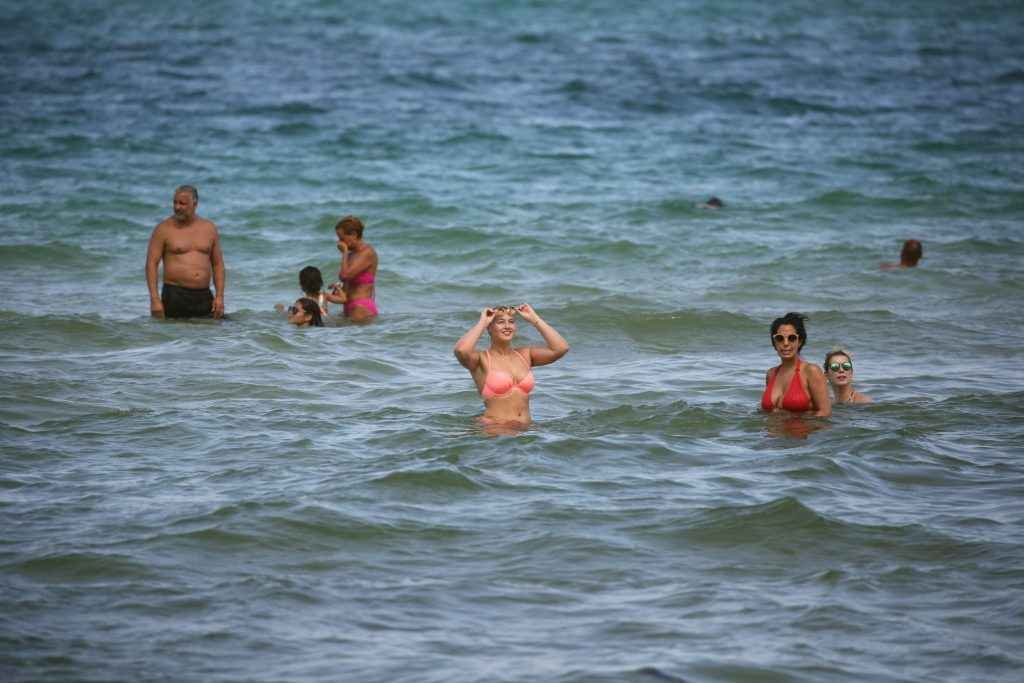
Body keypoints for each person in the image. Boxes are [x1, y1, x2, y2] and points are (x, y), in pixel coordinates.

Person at [453, 304, 569, 429]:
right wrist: (483, 322)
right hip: (495, 429)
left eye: (511, 322)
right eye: (501, 322)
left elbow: (561, 348)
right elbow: (461, 350)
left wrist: (535, 319)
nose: (507, 326)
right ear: (489, 328)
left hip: (526, 428)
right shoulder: (481, 359)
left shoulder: (525, 355)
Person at [145, 185, 226, 319]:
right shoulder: (163, 229)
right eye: (175, 202)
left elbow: (218, 265)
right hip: (175, 296)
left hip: (204, 296)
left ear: (195, 204)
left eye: (182, 203)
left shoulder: (209, 228)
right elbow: (151, 264)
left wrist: (219, 297)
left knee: (214, 334)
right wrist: (154, 299)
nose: (177, 207)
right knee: (176, 336)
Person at [761, 312, 831, 417]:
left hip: (800, 432)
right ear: (774, 343)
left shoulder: (811, 371)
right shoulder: (771, 374)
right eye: (780, 338)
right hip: (770, 433)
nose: (785, 343)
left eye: (792, 338)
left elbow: (825, 413)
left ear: (800, 341)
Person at [335, 215, 378, 322]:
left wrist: (344, 252)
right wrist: (339, 289)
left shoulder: (367, 252)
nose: (339, 242)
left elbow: (344, 275)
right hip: (348, 307)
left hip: (361, 307)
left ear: (354, 234)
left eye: (341, 238)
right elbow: (346, 281)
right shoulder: (351, 255)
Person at [276, 266, 345, 317]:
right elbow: (343, 300)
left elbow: (294, 313)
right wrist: (337, 287)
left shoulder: (303, 301)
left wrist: (281, 310)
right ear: (320, 282)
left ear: (302, 284)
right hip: (325, 322)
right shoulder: (324, 296)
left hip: (311, 324)